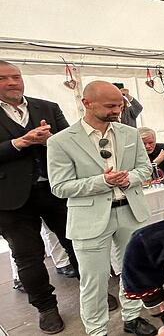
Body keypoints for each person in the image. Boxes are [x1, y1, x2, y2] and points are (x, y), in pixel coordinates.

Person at [47, 81, 156, 336]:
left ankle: (132, 317)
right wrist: (102, 182)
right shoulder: (61, 141)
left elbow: (145, 168)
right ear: (86, 103)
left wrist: (129, 178)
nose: (117, 110)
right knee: (94, 281)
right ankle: (96, 331)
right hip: (89, 218)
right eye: (110, 106)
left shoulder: (130, 134)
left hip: (131, 212)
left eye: (120, 104)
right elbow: (60, 187)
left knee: (133, 269)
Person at [0, 61, 81, 333]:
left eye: (16, 76)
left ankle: (92, 291)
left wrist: (50, 141)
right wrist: (20, 142)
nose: (12, 82)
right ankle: (46, 308)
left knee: (77, 243)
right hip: (10, 199)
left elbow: (71, 141)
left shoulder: (47, 107)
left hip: (55, 190)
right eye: (3, 78)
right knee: (28, 257)